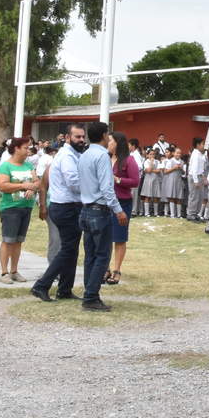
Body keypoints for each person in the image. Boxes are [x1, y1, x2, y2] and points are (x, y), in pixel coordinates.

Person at [31, 123, 86, 302]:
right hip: (66, 207)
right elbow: (73, 183)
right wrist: (93, 186)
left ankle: (65, 289)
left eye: (83, 136)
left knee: (72, 250)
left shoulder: (74, 154)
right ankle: (41, 285)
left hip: (70, 206)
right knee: (68, 249)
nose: (81, 140)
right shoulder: (67, 156)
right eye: (77, 136)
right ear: (68, 138)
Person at [75, 123, 125, 311]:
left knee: (90, 255)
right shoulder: (102, 156)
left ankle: (89, 292)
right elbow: (106, 188)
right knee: (102, 256)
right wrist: (118, 210)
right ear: (104, 135)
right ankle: (91, 297)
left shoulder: (85, 154)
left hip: (86, 208)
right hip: (99, 210)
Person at [0, 136, 38, 284]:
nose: (28, 151)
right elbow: (2, 186)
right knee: (8, 240)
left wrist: (32, 188)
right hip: (10, 209)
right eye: (26, 148)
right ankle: (4, 272)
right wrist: (23, 186)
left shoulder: (29, 166)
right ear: (16, 148)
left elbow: (37, 182)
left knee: (18, 241)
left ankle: (14, 271)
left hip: (26, 207)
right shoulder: (5, 166)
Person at [109, 132, 140, 285]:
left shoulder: (129, 160)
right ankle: (105, 268)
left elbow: (135, 181)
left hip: (122, 202)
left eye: (110, 141)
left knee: (119, 238)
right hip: (106, 202)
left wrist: (118, 180)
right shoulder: (106, 158)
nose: (108, 143)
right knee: (105, 237)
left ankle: (116, 270)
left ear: (118, 143)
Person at [186, 137, 208, 222]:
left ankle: (195, 214)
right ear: (198, 145)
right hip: (194, 176)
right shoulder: (195, 154)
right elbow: (194, 168)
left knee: (200, 196)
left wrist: (203, 177)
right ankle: (190, 214)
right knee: (194, 196)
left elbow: (201, 167)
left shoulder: (200, 154)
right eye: (202, 144)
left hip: (200, 176)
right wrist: (195, 181)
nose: (203, 146)